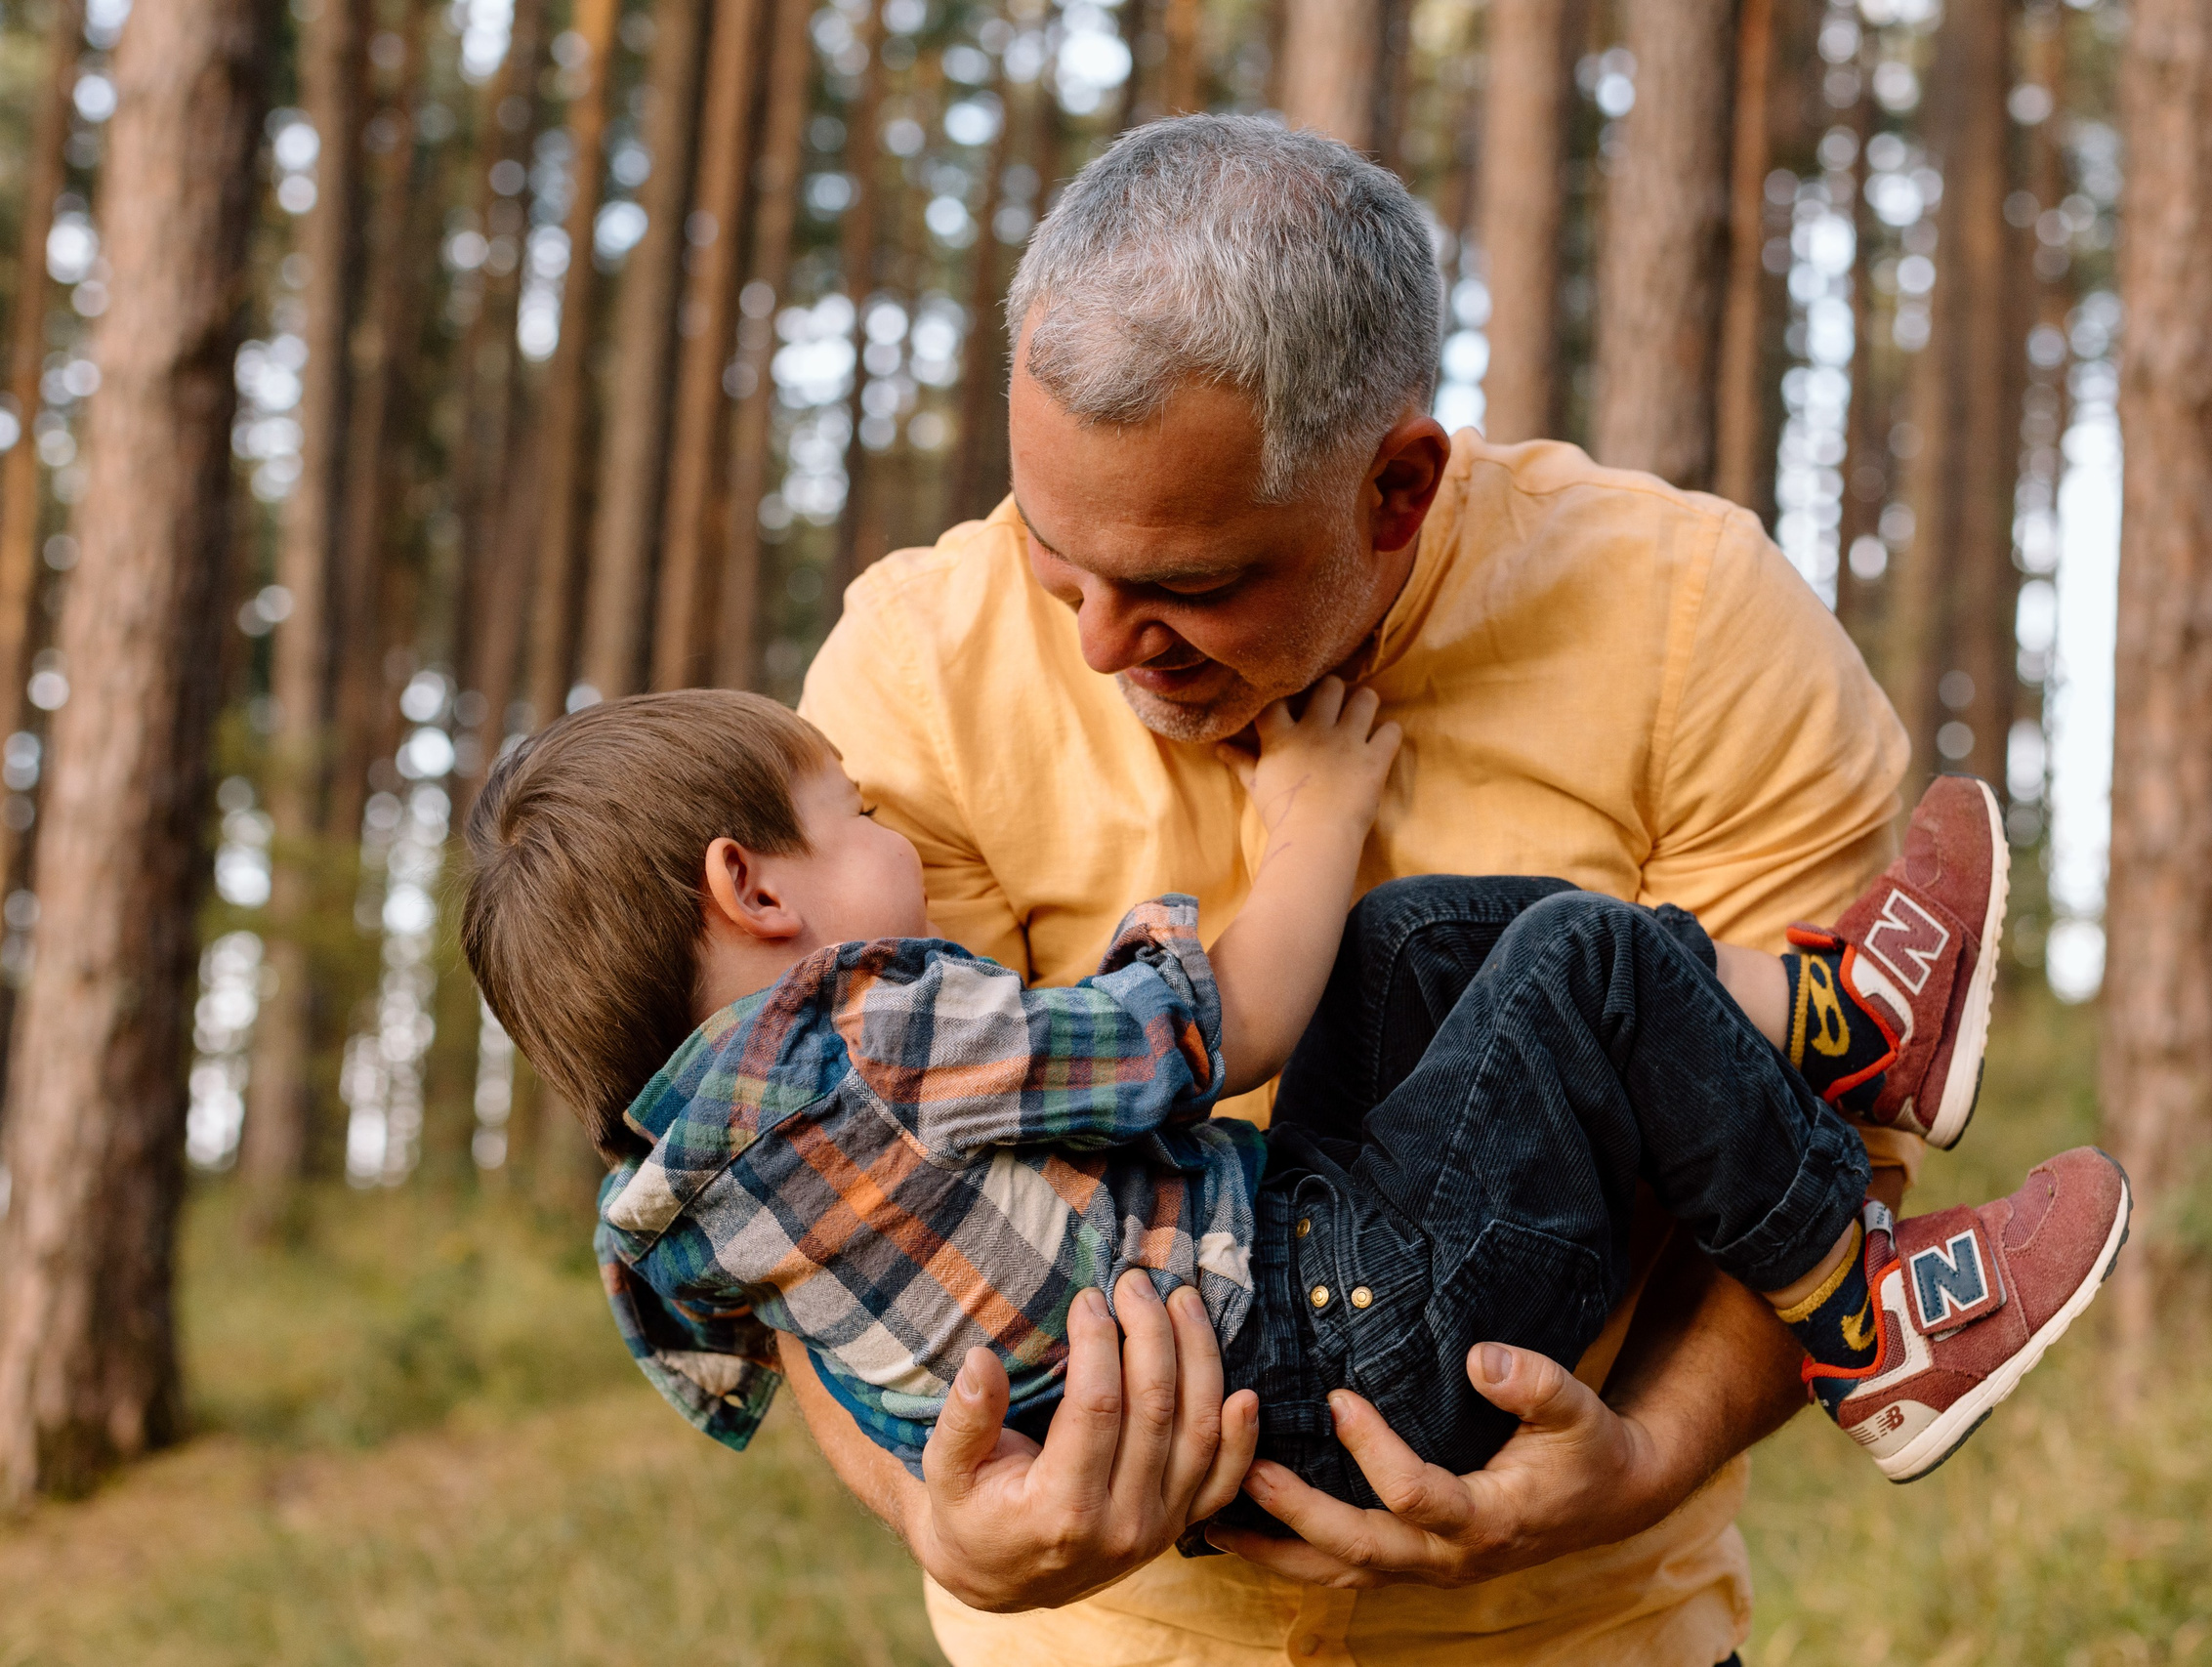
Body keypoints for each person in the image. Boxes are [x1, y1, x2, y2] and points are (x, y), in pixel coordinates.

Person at [788, 113, 1936, 1661]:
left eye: (1191, 586)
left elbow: (1825, 1151)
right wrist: (942, 1518)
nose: (1102, 646)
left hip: (1582, 1635)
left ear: (1397, 487)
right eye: (1056, 557)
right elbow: (816, 1178)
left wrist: (1642, 1463)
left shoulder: (1693, 629)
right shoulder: (912, 675)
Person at [459, 687, 2128, 1545]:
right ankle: (1867, 1314)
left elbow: (839, 1384)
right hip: (1359, 1335)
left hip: (1266, 1406)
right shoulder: (863, 1032)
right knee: (1578, 966)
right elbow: (1215, 1033)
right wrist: (1307, 816)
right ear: (753, 888)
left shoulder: (675, 1217)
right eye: (858, 812)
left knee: (1403, 946)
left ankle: (1856, 1031)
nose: (892, 837)